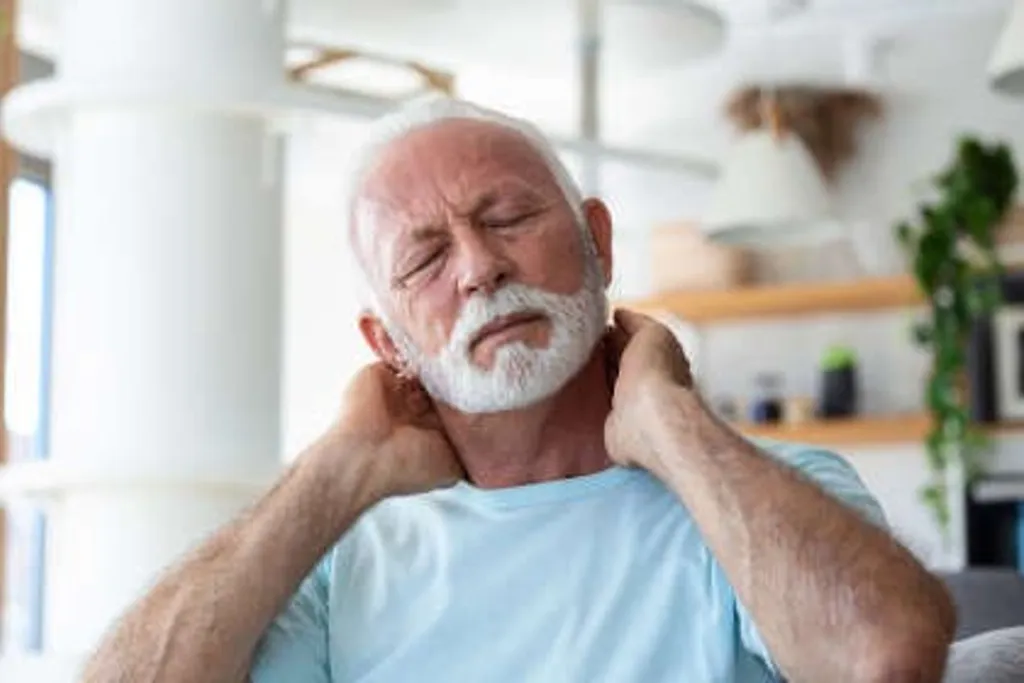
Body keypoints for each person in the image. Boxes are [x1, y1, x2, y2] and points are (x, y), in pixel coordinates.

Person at [81, 97, 955, 683]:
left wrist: (670, 424)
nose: (479, 267)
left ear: (598, 243)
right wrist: (334, 472)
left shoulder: (770, 494)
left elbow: (888, 657)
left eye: (508, 218)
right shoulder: (342, 562)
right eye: (425, 259)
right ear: (387, 343)